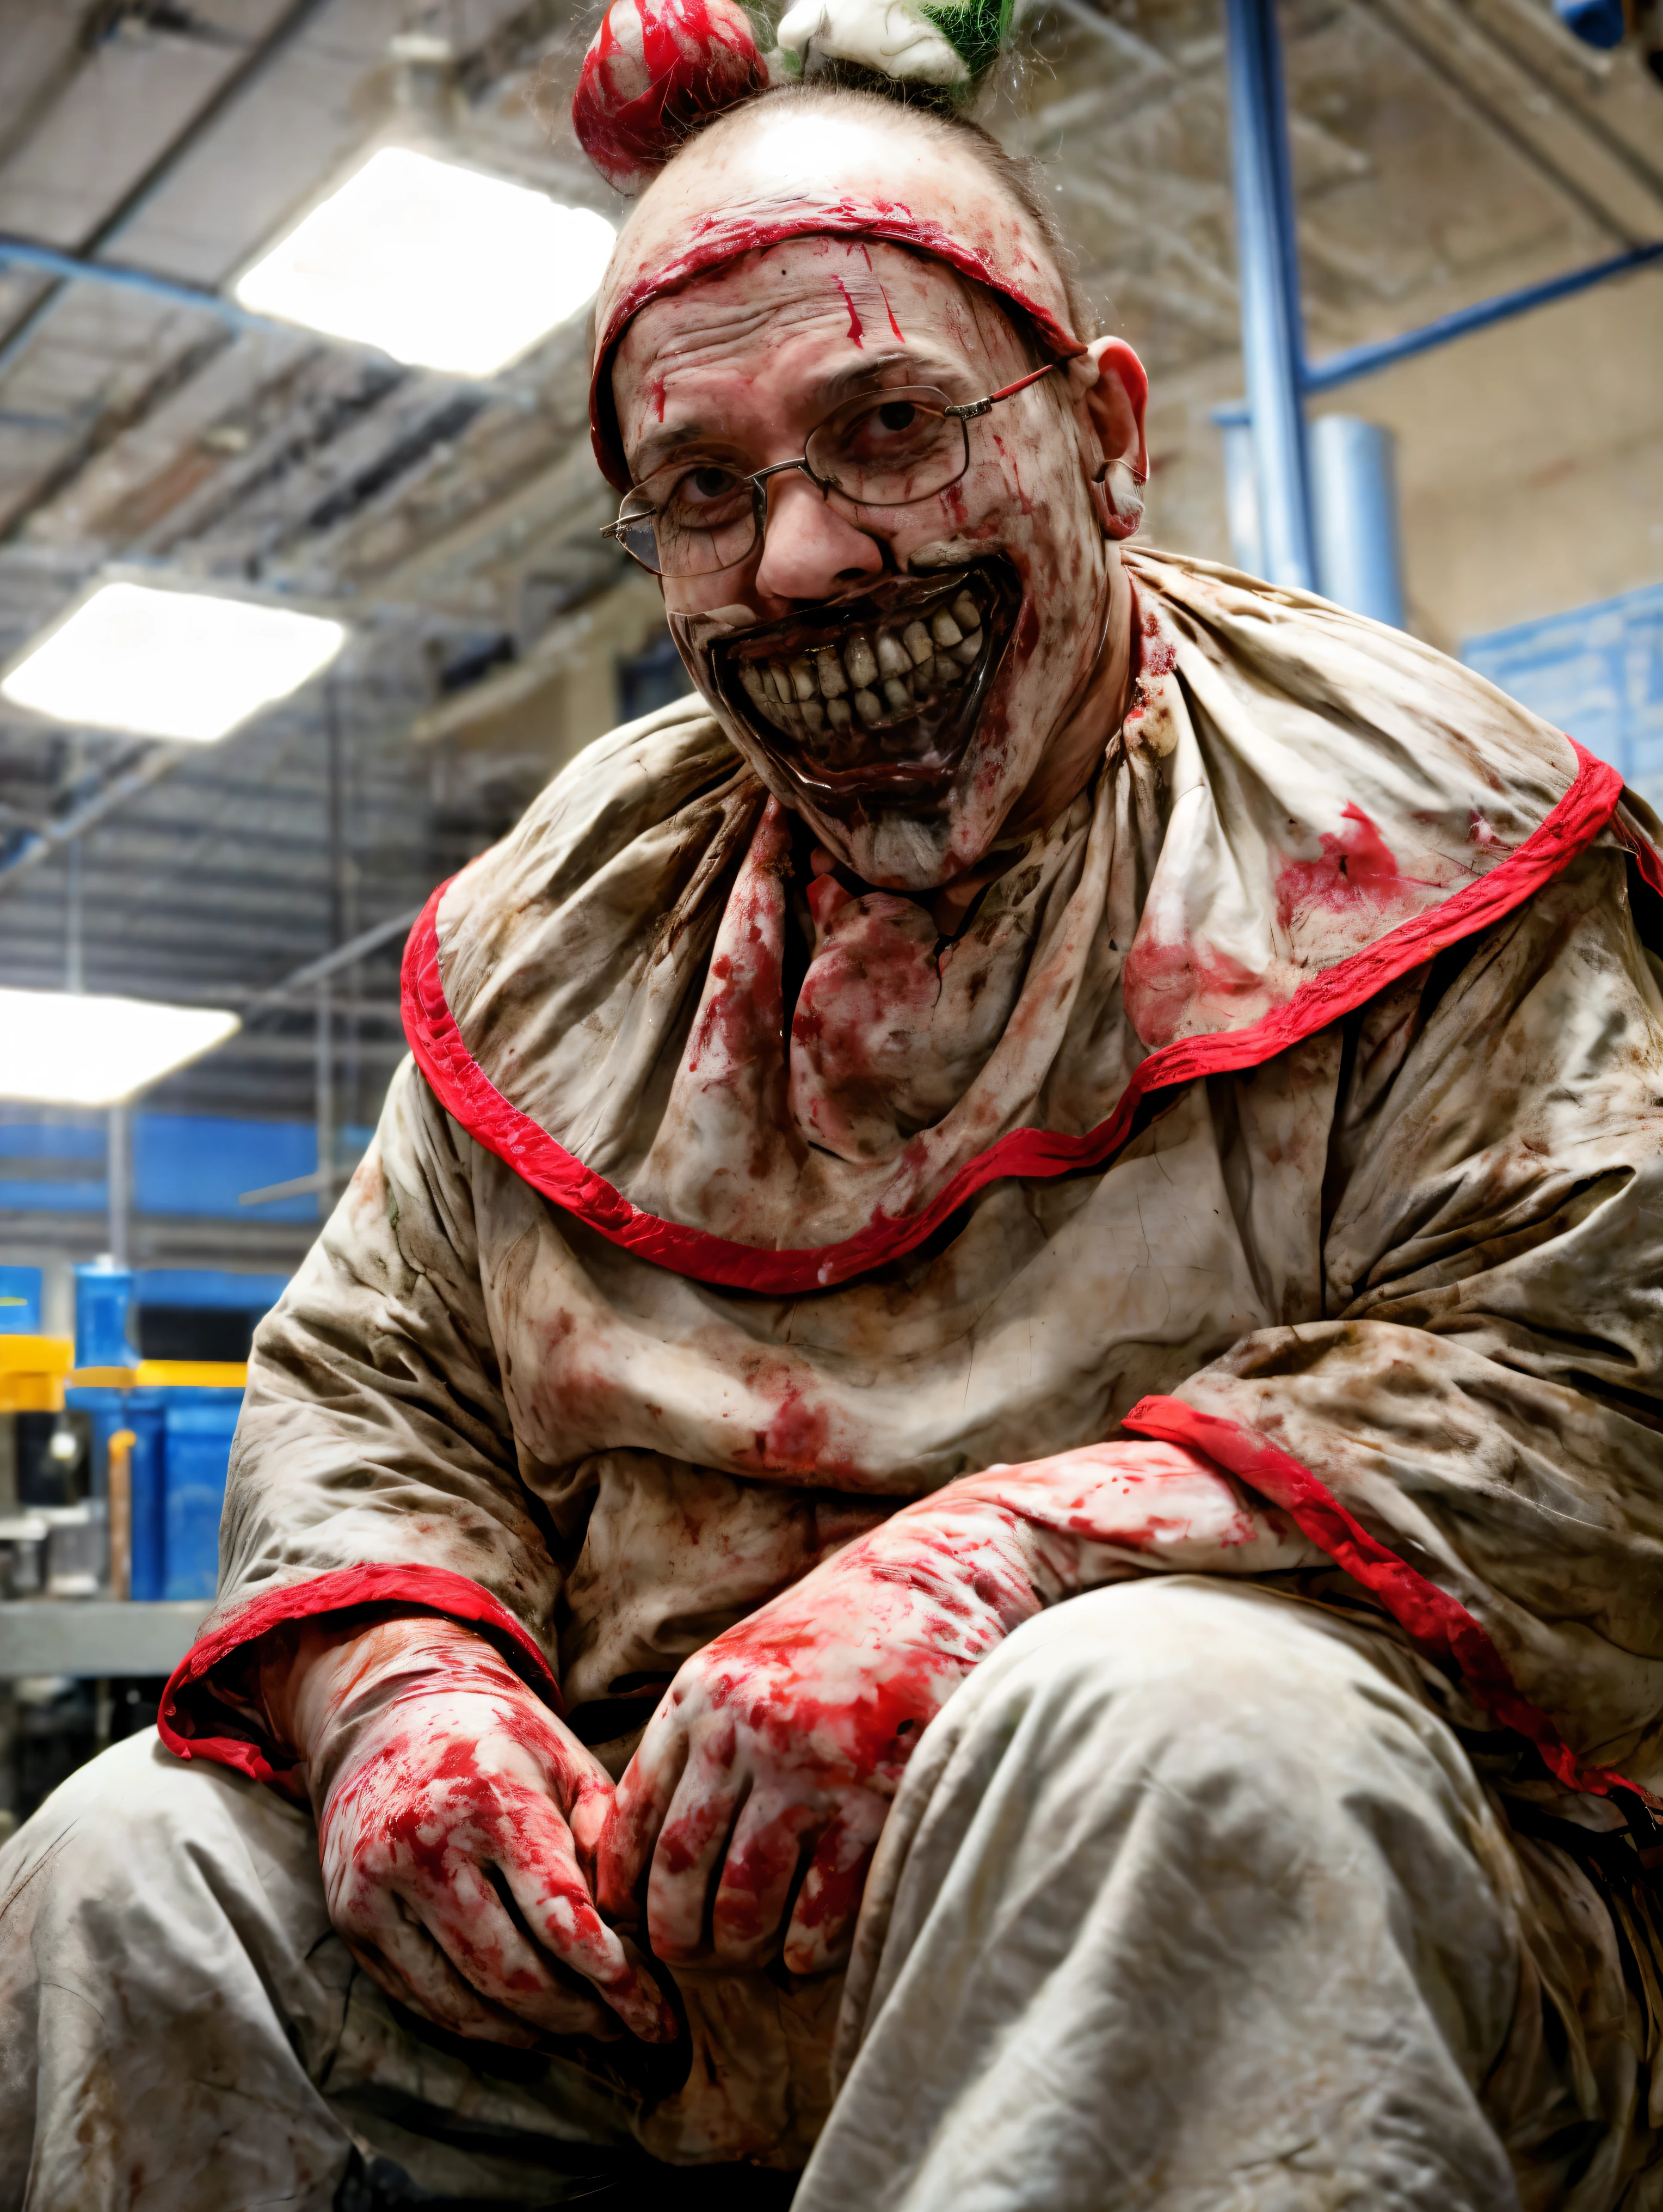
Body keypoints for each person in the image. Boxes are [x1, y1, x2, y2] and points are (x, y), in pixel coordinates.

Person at [5, 5, 1663, 2206]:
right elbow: (371, 1388)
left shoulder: (1414, 834)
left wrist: (989, 1572)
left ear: (1100, 436)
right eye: (701, 489)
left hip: (1289, 1879)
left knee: (1171, 1725)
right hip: (642, 1963)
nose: (798, 560)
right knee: (125, 1859)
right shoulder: (557, 935)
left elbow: (1591, 1390)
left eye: (884, 427)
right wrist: (400, 1681)